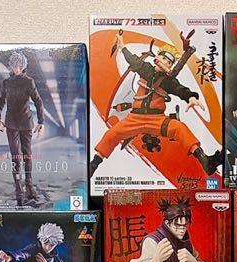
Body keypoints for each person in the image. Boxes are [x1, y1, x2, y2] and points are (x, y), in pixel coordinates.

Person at [90, 29, 222, 179]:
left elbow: (180, 89)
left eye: (169, 61)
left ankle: (205, 161)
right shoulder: (144, 69)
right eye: (163, 58)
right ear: (157, 57)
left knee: (180, 128)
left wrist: (191, 97)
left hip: (157, 120)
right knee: (111, 134)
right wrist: (122, 45)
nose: (165, 62)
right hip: (134, 118)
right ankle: (93, 164)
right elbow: (132, 59)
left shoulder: (168, 81)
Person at [0, 50, 45, 207]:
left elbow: (38, 101)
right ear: (11, 66)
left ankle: (29, 185)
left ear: (23, 67)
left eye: (19, 66)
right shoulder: (6, 83)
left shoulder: (29, 82)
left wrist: (41, 121)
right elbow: (1, 100)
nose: (16, 68)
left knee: (27, 155)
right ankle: (18, 189)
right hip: (11, 124)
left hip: (26, 123)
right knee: (16, 156)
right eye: (14, 66)